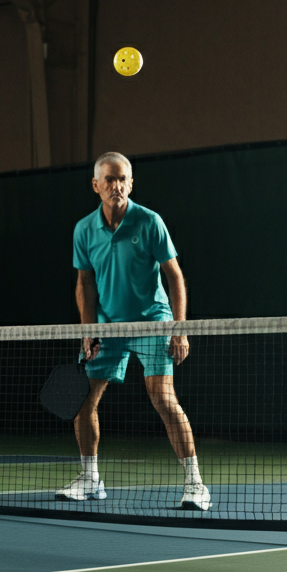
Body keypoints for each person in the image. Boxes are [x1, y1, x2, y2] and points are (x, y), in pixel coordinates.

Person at [57, 151, 211, 511]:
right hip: (107, 324)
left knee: (162, 396)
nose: (118, 186)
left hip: (152, 320)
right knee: (83, 402)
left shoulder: (149, 221)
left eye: (123, 178)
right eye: (110, 179)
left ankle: (195, 484)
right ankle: (90, 479)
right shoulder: (84, 230)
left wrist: (179, 328)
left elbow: (175, 277)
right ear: (96, 185)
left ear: (131, 182)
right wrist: (88, 329)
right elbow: (84, 283)